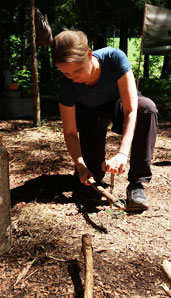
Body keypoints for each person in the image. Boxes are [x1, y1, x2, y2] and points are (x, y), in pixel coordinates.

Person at [51, 29, 158, 211]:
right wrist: (81, 165)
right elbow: (69, 132)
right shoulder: (67, 85)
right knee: (92, 174)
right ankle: (89, 173)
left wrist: (122, 153)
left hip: (119, 103)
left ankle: (137, 184)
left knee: (146, 109)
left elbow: (131, 110)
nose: (74, 78)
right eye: (67, 74)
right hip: (91, 112)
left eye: (77, 70)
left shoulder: (114, 58)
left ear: (90, 54)